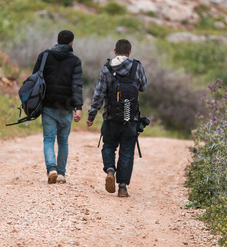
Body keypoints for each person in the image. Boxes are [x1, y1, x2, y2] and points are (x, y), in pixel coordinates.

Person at [86, 39, 147, 197]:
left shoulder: (107, 68)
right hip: (131, 119)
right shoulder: (137, 67)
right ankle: (122, 187)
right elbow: (144, 87)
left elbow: (99, 94)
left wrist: (92, 114)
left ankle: (110, 170)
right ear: (129, 52)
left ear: (114, 51)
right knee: (127, 152)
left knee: (109, 146)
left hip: (111, 117)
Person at [32, 30, 83, 184]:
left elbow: (35, 77)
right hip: (66, 107)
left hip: (48, 105)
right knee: (63, 141)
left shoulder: (45, 56)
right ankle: (61, 174)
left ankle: (51, 169)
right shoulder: (75, 61)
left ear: (57, 40)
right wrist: (79, 107)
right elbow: (77, 85)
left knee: (48, 139)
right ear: (71, 43)